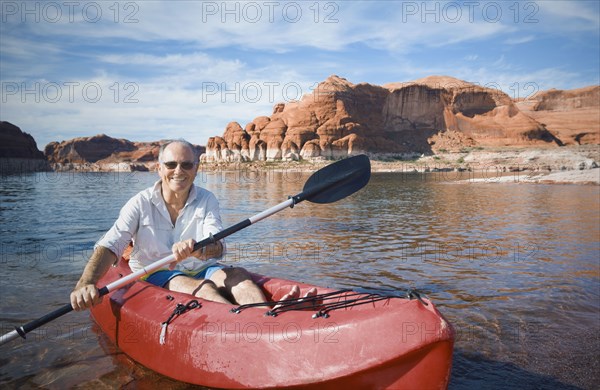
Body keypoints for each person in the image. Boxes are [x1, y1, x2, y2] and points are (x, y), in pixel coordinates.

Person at [70, 139, 315, 311]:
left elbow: (217, 245)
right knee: (204, 288)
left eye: (187, 164)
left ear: (196, 169)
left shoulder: (207, 199)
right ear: (159, 169)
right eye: (171, 165)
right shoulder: (140, 203)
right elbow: (111, 244)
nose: (179, 171)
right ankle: (249, 325)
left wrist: (200, 249)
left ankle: (264, 316)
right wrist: (86, 283)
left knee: (239, 276)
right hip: (156, 271)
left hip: (202, 266)